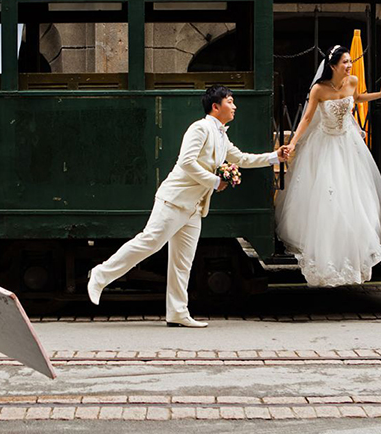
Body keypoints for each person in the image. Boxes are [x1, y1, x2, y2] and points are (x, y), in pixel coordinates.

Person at [87, 85, 288, 327]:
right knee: (149, 242)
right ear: (216, 106)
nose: (235, 106)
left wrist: (275, 156)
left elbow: (242, 158)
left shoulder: (222, 136)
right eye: (230, 101)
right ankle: (100, 274)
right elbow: (186, 162)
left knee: (183, 261)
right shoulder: (200, 128)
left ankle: (177, 312)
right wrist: (214, 181)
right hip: (174, 200)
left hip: (194, 208)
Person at [276, 45, 381, 286]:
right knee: (327, 197)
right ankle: (327, 250)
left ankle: (355, 245)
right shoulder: (319, 89)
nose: (349, 66)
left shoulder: (353, 81)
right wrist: (293, 144)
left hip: (348, 143)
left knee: (356, 196)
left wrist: (379, 94)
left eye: (350, 61)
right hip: (325, 142)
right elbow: (307, 118)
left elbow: (356, 99)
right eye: (345, 62)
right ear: (333, 65)